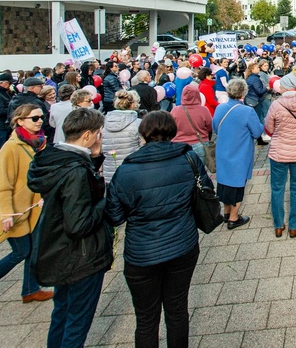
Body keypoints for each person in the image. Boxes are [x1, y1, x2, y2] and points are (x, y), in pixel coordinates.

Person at [106, 111, 213, 348]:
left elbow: (114, 215)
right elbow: (205, 190)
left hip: (142, 252)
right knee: (177, 309)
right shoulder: (188, 158)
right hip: (181, 244)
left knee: (146, 318)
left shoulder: (126, 169)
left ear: (143, 132)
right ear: (172, 130)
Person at [27, 108, 113, 348]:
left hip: (56, 247)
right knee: (76, 322)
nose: (100, 138)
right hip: (79, 254)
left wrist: (95, 158)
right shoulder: (75, 170)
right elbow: (79, 223)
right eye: (98, 133)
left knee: (62, 313)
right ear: (87, 135)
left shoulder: (56, 159)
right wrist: (106, 201)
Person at [0, 104, 53, 309]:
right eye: (34, 118)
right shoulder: (11, 148)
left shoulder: (37, 143)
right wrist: (6, 213)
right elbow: (1, 184)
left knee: (33, 250)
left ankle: (30, 290)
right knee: (21, 252)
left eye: (41, 117)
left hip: (33, 208)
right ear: (20, 121)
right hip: (16, 212)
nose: (39, 121)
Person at [264, 73, 296, 238]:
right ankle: (294, 225)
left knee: (277, 188)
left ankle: (279, 225)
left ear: (284, 87)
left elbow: (269, 129)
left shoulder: (276, 105)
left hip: (279, 152)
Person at [212, 79, 263, 229]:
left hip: (222, 151)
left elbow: (215, 128)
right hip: (239, 153)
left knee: (224, 184)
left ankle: (226, 212)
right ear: (243, 93)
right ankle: (234, 218)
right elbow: (257, 131)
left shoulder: (220, 108)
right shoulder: (247, 111)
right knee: (237, 186)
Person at [101, 90, 142, 186]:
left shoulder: (104, 123)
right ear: (132, 105)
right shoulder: (138, 124)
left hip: (109, 172)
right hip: (131, 172)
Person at [171, 83, 213, 164]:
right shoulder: (203, 110)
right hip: (200, 143)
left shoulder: (175, 110)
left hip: (179, 145)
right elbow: (210, 127)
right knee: (200, 171)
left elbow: (171, 128)